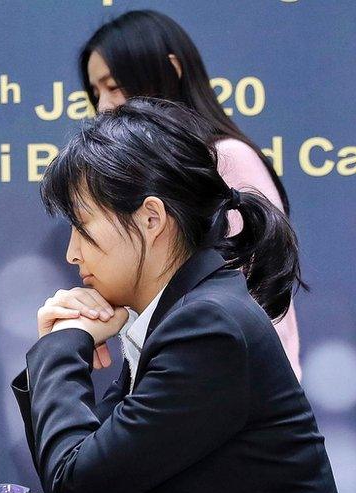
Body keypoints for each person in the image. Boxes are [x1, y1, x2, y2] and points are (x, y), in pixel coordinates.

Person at [12, 98, 355, 493]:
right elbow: (91, 460)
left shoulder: (207, 328)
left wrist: (63, 344)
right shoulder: (185, 315)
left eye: (83, 225)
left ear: (152, 219)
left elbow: (76, 477)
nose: (72, 253)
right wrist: (60, 350)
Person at [80, 9, 302, 380]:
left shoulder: (226, 157)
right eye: (95, 92)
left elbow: (260, 287)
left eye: (113, 86)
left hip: (242, 386)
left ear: (171, 70)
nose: (103, 106)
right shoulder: (144, 176)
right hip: (181, 385)